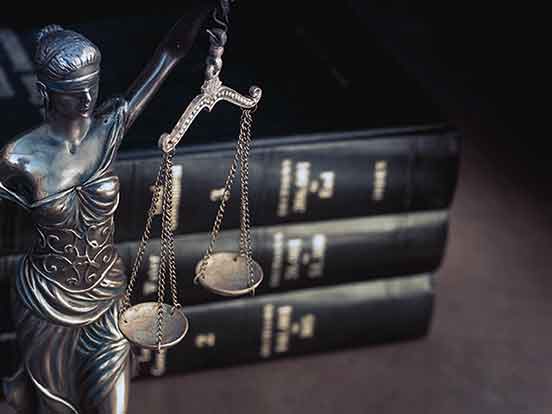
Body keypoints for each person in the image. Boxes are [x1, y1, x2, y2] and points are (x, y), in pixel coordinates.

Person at [0, 3, 217, 413]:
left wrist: (202, 9)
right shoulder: (18, 158)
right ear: (46, 93)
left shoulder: (109, 129)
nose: (86, 98)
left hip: (106, 293)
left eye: (92, 86)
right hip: (47, 301)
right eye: (72, 93)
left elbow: (169, 54)